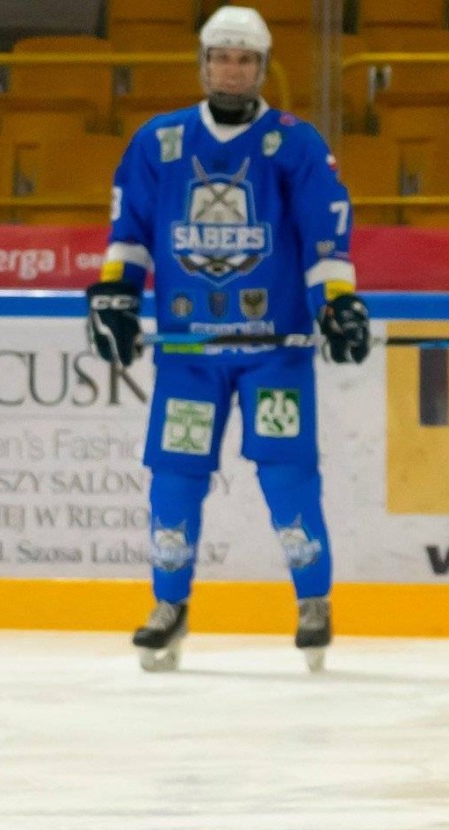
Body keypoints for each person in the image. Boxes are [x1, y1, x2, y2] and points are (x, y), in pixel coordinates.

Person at [85, 5, 371, 673]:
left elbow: (326, 241)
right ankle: (169, 604)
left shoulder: (295, 144)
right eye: (221, 58)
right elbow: (129, 233)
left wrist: (337, 304)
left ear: (262, 68)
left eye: (245, 60)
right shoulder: (159, 141)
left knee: (288, 475)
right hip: (189, 355)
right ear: (204, 64)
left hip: (275, 352)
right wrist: (117, 295)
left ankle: (312, 601)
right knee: (175, 478)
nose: (232, 70)